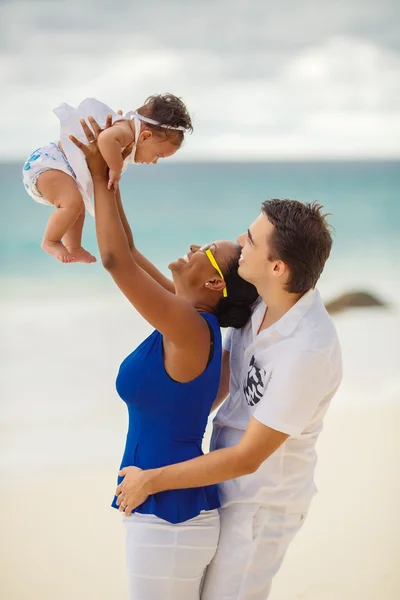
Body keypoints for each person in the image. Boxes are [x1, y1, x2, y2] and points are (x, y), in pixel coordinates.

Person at [70, 117, 259, 600]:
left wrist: (97, 174)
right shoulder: (188, 323)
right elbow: (126, 249)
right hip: (164, 511)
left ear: (214, 284)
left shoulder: (193, 331)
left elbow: (113, 261)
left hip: (169, 516)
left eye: (206, 251)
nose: (193, 246)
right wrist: (108, 173)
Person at [115, 198, 343, 599]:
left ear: (278, 267)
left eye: (252, 240)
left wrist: (151, 480)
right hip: (217, 488)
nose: (241, 241)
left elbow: (248, 457)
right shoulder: (261, 300)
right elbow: (176, 298)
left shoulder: (307, 349)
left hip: (259, 508)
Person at [22, 94, 192, 263]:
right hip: (50, 164)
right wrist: (115, 169)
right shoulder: (124, 131)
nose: (154, 162)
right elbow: (105, 138)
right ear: (145, 136)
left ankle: (73, 247)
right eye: (158, 155)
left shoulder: (125, 133)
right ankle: (50, 241)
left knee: (77, 207)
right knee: (72, 204)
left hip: (61, 169)